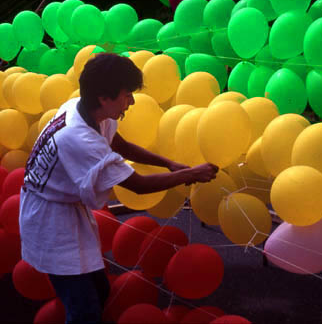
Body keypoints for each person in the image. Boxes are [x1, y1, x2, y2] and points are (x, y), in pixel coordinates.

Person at [19, 53, 218, 323]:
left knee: (99, 290)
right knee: (83, 310)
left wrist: (170, 164)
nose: (132, 101)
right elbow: (137, 185)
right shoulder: (78, 138)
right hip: (49, 222)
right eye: (127, 95)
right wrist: (191, 174)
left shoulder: (83, 106)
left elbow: (120, 145)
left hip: (63, 210)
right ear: (104, 97)